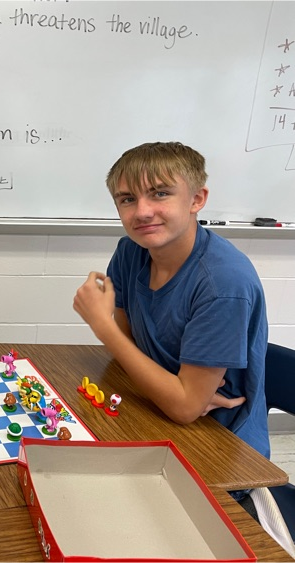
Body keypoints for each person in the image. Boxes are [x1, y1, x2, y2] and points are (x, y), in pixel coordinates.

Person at [73, 142, 269, 508]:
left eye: (160, 193)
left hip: (217, 445)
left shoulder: (223, 283)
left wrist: (103, 327)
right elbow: (133, 349)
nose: (142, 211)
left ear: (197, 199)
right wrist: (171, 390)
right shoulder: (131, 251)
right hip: (156, 411)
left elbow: (184, 409)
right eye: (127, 199)